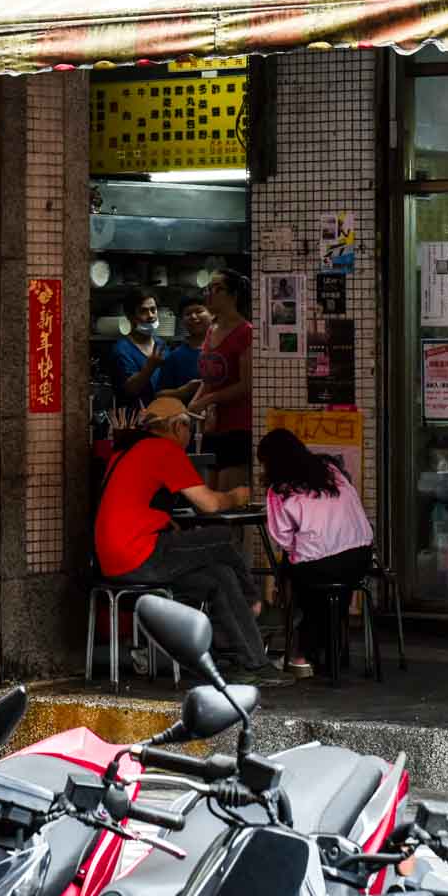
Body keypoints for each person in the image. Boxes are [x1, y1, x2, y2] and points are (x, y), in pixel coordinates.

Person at [95, 395, 286, 686]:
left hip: (113, 559)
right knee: (220, 539)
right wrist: (236, 496)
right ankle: (254, 602)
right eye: (188, 428)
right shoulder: (163, 449)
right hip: (140, 554)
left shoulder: (125, 450)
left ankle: (249, 662)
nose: (190, 434)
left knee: (218, 576)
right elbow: (209, 504)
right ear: (177, 427)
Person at [260, 428, 374, 680]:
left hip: (320, 565)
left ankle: (301, 652)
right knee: (335, 590)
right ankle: (334, 651)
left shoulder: (280, 489)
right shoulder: (331, 469)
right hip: (361, 556)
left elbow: (283, 539)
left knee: (297, 576)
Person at [189, 270, 253, 490]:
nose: (210, 294)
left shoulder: (246, 332)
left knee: (228, 502)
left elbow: (246, 386)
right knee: (209, 498)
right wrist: (193, 404)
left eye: (218, 289)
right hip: (212, 427)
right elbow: (208, 378)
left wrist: (207, 401)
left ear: (234, 295)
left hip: (237, 426)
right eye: (209, 289)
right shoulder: (211, 330)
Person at [107, 292, 169, 420]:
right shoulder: (121, 350)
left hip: (161, 418)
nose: (151, 316)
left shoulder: (161, 345)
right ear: (130, 316)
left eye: (153, 310)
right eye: (143, 311)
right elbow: (130, 389)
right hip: (133, 421)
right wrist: (150, 366)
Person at [161, 297, 211, 395]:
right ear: (182, 321)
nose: (193, 316)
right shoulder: (175, 356)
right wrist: (182, 391)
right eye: (187, 314)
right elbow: (160, 394)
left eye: (199, 311)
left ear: (212, 314)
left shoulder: (225, 347)